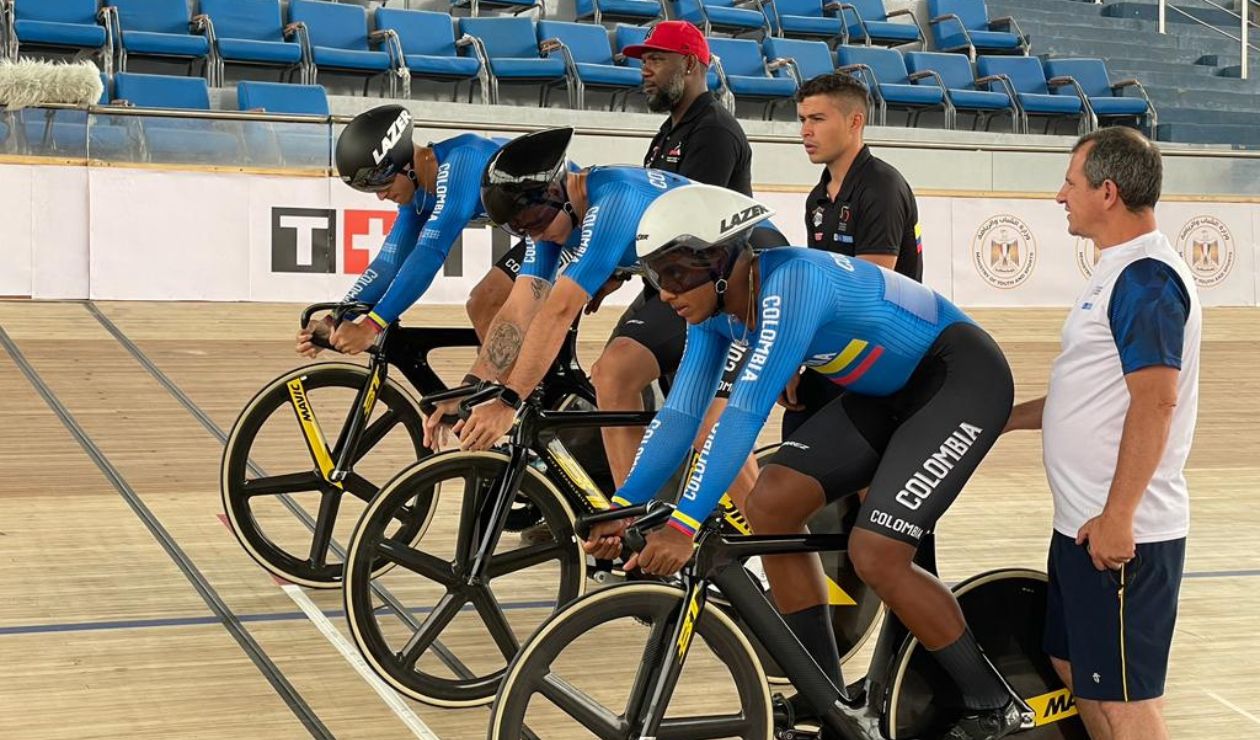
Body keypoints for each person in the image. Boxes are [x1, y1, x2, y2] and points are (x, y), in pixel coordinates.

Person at [587, 183, 1023, 739]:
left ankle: (994, 705)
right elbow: (679, 416)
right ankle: (826, 696)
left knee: (877, 551)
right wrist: (624, 506)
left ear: (721, 262)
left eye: (674, 274)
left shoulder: (791, 284)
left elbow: (742, 415)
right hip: (885, 394)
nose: (664, 293)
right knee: (770, 503)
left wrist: (683, 524)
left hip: (959, 376)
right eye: (654, 277)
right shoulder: (714, 315)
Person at [1003, 127, 1199, 740]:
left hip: (1118, 535)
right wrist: (1002, 420)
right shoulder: (1116, 272)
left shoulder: (1145, 280)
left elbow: (1156, 402)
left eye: (1070, 182)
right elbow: (1087, 395)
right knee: (1073, 669)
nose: (1060, 196)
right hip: (1081, 524)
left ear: (1107, 192)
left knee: (1125, 706)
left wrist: (1119, 515)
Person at [591, 20, 761, 500]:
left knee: (618, 376)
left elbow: (685, 231)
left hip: (704, 291)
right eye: (642, 61)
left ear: (689, 64)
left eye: (655, 60)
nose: (644, 71)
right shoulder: (670, 132)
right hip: (668, 286)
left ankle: (634, 520)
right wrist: (612, 276)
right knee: (613, 383)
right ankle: (645, 502)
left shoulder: (714, 132)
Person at [295, 105, 524, 356]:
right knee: (492, 341)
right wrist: (336, 318)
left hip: (565, 221)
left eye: (382, 183)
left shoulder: (462, 161)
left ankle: (515, 392)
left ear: (405, 163)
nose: (381, 196)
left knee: (484, 303)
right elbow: (388, 263)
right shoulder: (418, 197)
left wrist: (371, 326)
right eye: (371, 189)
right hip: (537, 234)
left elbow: (429, 252)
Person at [784, 72, 923, 437]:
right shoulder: (818, 197)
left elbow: (867, 293)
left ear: (854, 121)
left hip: (878, 362)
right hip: (835, 352)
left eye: (817, 119)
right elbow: (821, 289)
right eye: (802, 120)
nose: (805, 132)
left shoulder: (881, 186)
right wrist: (797, 359)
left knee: (856, 480)